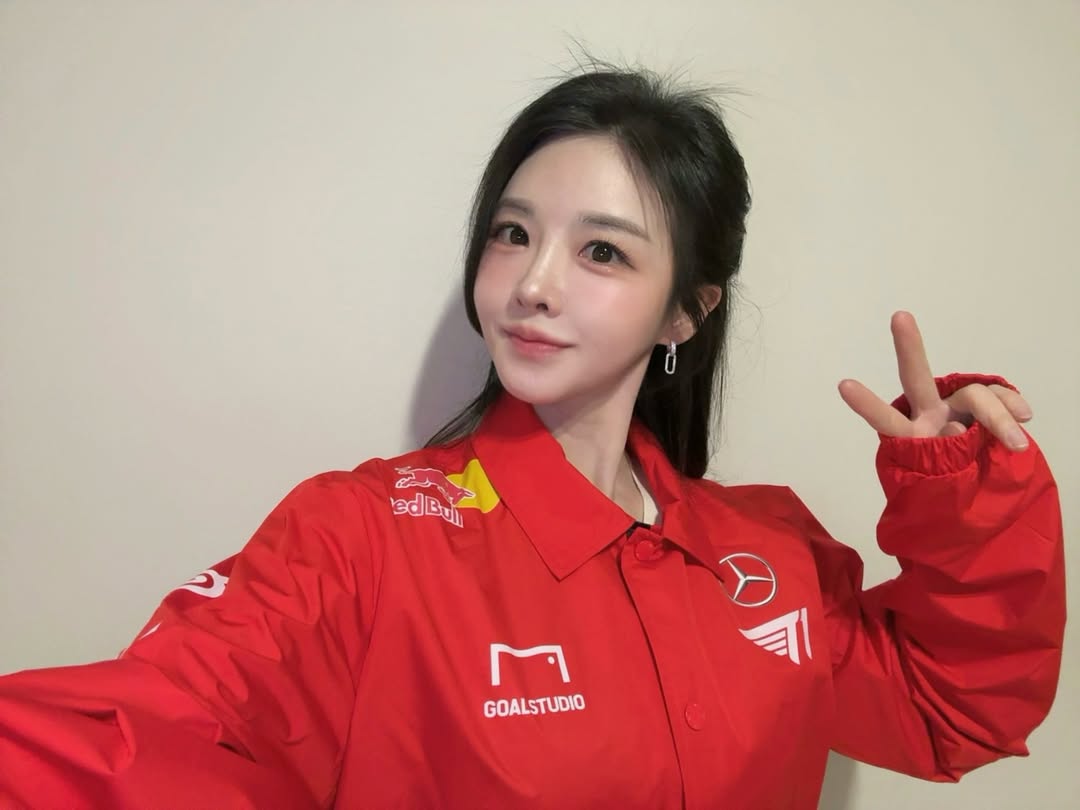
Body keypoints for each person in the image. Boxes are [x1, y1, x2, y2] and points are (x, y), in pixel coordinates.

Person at [0, 62, 1065, 810]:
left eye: (602, 252)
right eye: (512, 233)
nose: (532, 284)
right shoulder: (361, 537)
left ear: (686, 312)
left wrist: (965, 499)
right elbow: (151, 737)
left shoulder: (770, 554)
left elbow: (952, 709)